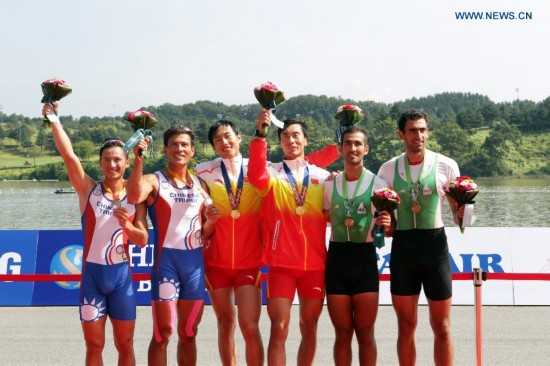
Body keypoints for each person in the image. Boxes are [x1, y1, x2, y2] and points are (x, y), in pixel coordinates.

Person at [194, 120, 339, 366]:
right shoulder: (203, 171)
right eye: (218, 140)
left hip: (253, 261)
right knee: (226, 323)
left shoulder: (263, 168)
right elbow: (185, 185)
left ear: (239, 138)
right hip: (218, 260)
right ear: (212, 147)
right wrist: (206, 211)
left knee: (253, 327)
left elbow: (303, 163)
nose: (224, 142)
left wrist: (337, 151)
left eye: (228, 136)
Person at [42, 102, 149, 366]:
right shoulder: (88, 189)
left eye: (117, 160)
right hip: (92, 281)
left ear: (125, 162)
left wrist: (128, 226)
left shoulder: (136, 196)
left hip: (121, 281)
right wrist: (54, 119)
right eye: (107, 160)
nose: (112, 165)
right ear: (100, 163)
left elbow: (143, 240)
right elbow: (69, 156)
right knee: (94, 346)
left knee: (125, 345)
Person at [127, 125, 219, 366]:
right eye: (174, 144)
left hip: (195, 268)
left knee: (189, 333)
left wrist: (212, 222)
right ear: (166, 149)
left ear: (192, 150)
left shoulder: (201, 184)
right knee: (163, 333)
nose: (180, 148)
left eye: (184, 145)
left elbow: (205, 232)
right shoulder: (153, 180)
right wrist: (138, 159)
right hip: (166, 266)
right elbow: (134, 195)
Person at [377, 109, 460, 366]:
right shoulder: (388, 169)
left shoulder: (447, 165)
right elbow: (386, 228)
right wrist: (385, 225)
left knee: (441, 325)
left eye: (423, 129)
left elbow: (460, 217)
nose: (419, 135)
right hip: (404, 250)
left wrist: (465, 208)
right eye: (413, 130)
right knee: (406, 325)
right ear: (401, 134)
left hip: (435, 248)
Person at [248, 109, 330, 366]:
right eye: (285, 136)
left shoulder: (323, 176)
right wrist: (260, 135)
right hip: (281, 266)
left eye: (296, 136)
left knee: (309, 326)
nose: (291, 141)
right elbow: (256, 177)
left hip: (315, 266)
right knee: (279, 327)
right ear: (279, 141)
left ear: (306, 141)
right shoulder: (271, 174)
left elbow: (331, 214)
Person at [323, 126, 392, 366]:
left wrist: (386, 223)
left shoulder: (379, 184)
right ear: (340, 149)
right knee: (342, 334)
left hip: (364, 261)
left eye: (358, 144)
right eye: (348, 144)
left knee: (365, 333)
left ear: (366, 149)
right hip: (337, 261)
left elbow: (390, 229)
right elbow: (322, 217)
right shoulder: (329, 184)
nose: (353, 148)